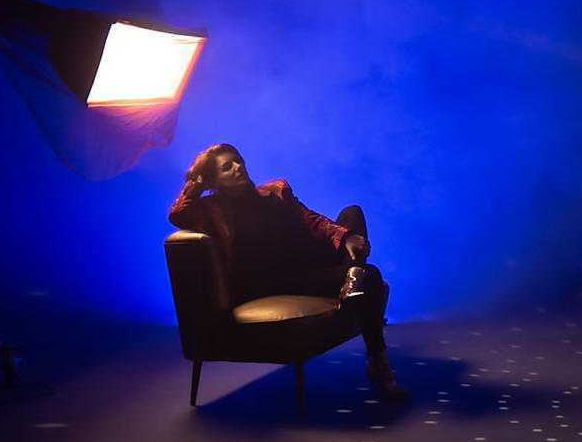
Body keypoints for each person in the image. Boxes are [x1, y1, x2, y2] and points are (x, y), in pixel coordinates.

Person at [168, 142, 408, 401]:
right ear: (214, 180)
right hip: (277, 281)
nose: (238, 167)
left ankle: (353, 278)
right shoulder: (211, 209)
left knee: (352, 213)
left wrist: (345, 236)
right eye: (227, 167)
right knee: (369, 275)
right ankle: (377, 357)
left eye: (238, 160)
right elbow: (178, 213)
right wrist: (196, 181)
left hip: (310, 263)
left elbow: (310, 219)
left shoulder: (275, 192)